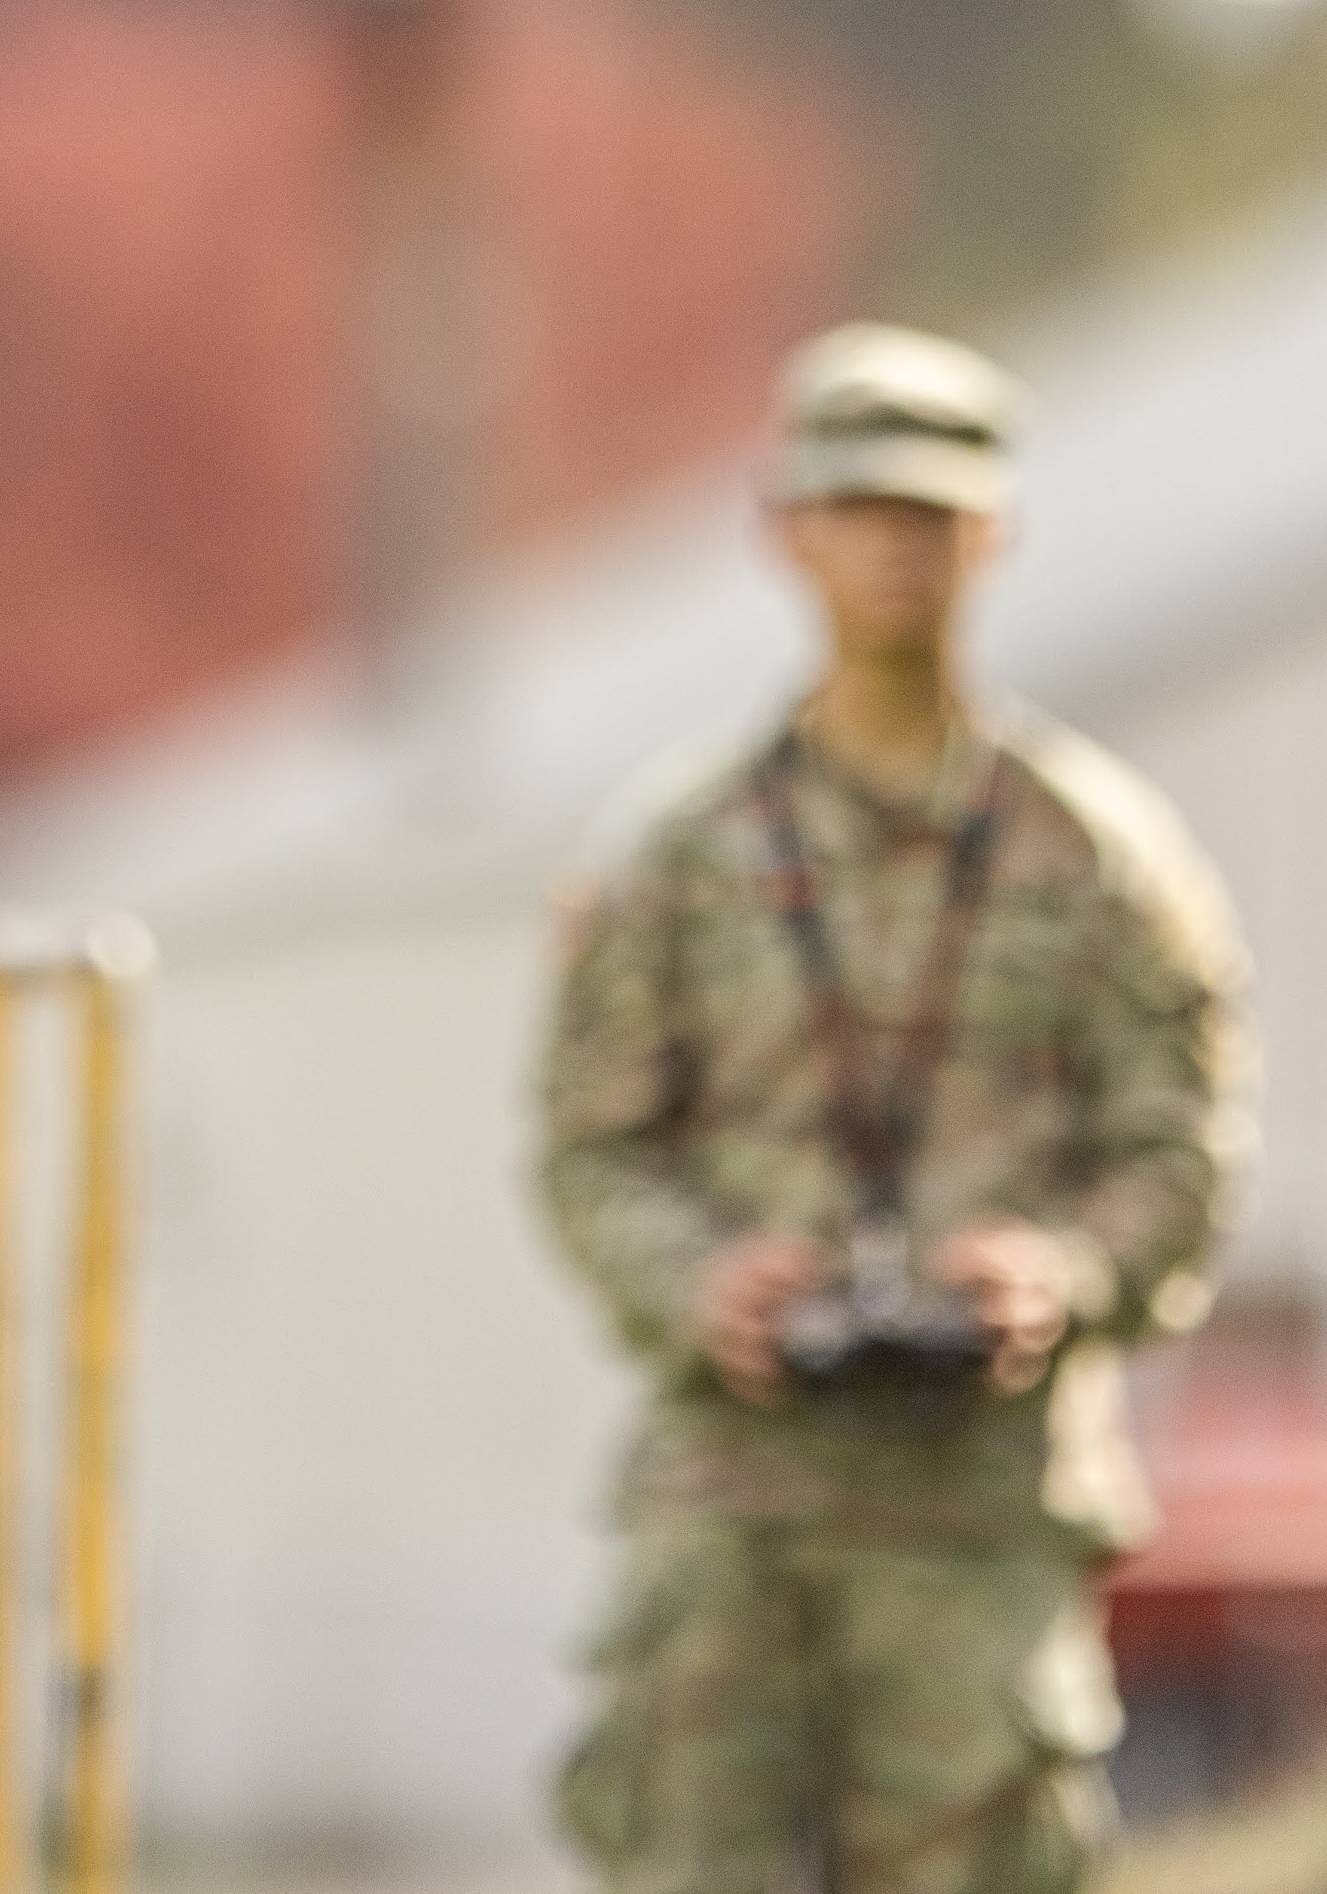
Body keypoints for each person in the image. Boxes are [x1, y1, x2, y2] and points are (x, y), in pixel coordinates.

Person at [535, 322, 1255, 1894]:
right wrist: (694, 1278)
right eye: (858, 507)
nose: (893, 548)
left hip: (976, 1507)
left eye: (928, 513)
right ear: (783, 530)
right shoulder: (678, 852)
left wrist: (1059, 1271)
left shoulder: (1099, 856)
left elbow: (1180, 1150)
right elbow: (589, 1145)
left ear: (990, 532)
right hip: (738, 1494)